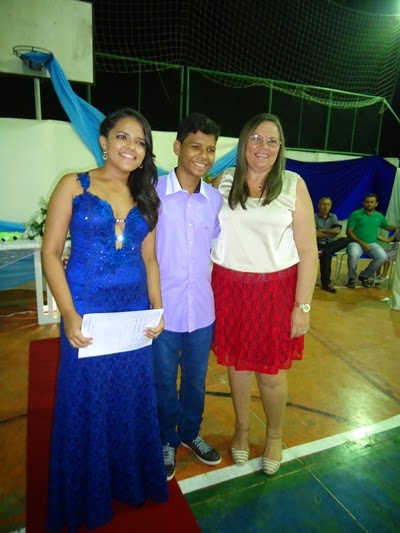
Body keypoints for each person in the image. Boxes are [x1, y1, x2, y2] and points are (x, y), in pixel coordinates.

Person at [41, 107, 168, 532]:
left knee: (129, 396)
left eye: (140, 142)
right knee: (86, 398)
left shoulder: (146, 195)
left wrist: (157, 309)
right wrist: (68, 313)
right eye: (123, 137)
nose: (131, 147)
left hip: (132, 315)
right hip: (86, 310)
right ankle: (86, 493)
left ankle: (128, 481)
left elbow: (150, 260)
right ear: (103, 140)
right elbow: (50, 253)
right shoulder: (73, 186)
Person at [211, 113, 318, 475]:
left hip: (275, 292)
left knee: (270, 373)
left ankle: (273, 436)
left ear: (280, 148)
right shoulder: (225, 180)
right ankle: (241, 430)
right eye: (256, 138)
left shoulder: (292, 184)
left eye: (272, 141)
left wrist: (302, 306)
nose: (264, 146)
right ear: (244, 143)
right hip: (228, 288)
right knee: (238, 367)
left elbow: (308, 251)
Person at [153, 113, 223, 482]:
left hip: (202, 310)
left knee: (195, 380)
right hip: (162, 310)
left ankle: (190, 432)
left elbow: (215, 247)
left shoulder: (214, 200)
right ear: (178, 147)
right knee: (164, 380)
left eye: (210, 149)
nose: (203, 156)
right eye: (196, 147)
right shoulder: (153, 193)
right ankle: (167, 438)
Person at [345, 194, 399, 288]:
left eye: (371, 202)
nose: (369, 204)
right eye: (367, 202)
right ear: (363, 203)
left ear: (376, 204)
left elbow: (387, 227)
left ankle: (364, 276)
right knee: (353, 254)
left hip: (372, 244)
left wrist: (398, 227)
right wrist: (362, 243)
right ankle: (351, 278)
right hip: (356, 243)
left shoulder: (379, 216)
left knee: (383, 256)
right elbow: (349, 232)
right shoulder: (355, 214)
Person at [315, 197, 350, 293]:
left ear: (330, 206)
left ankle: (323, 251)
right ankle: (326, 284)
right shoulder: (313, 217)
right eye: (323, 204)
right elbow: (315, 234)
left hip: (330, 244)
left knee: (346, 240)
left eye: (328, 205)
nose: (326, 207)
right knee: (327, 256)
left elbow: (337, 231)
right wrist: (329, 234)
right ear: (319, 206)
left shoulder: (333, 217)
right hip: (317, 244)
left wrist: (321, 230)